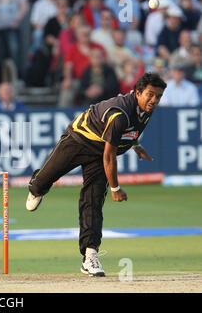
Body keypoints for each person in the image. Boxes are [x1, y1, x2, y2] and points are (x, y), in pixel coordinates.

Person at [26, 72, 167, 277]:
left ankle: (90, 255)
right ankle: (36, 187)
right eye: (150, 95)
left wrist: (136, 145)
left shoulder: (146, 108)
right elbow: (110, 156)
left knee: (92, 201)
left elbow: (129, 131)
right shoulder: (119, 114)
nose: (154, 100)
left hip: (99, 153)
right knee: (44, 180)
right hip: (79, 139)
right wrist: (115, 188)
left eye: (158, 96)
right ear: (137, 93)